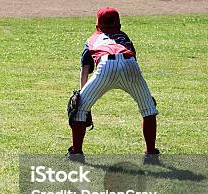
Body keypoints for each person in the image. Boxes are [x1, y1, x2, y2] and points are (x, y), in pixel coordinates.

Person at [67, 7, 160, 163]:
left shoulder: (92, 39)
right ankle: (151, 154)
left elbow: (85, 70)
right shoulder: (125, 37)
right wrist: (144, 93)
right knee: (148, 109)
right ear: (118, 23)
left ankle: (76, 153)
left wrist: (82, 96)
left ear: (97, 23)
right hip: (130, 63)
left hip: (106, 66)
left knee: (78, 109)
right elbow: (134, 60)